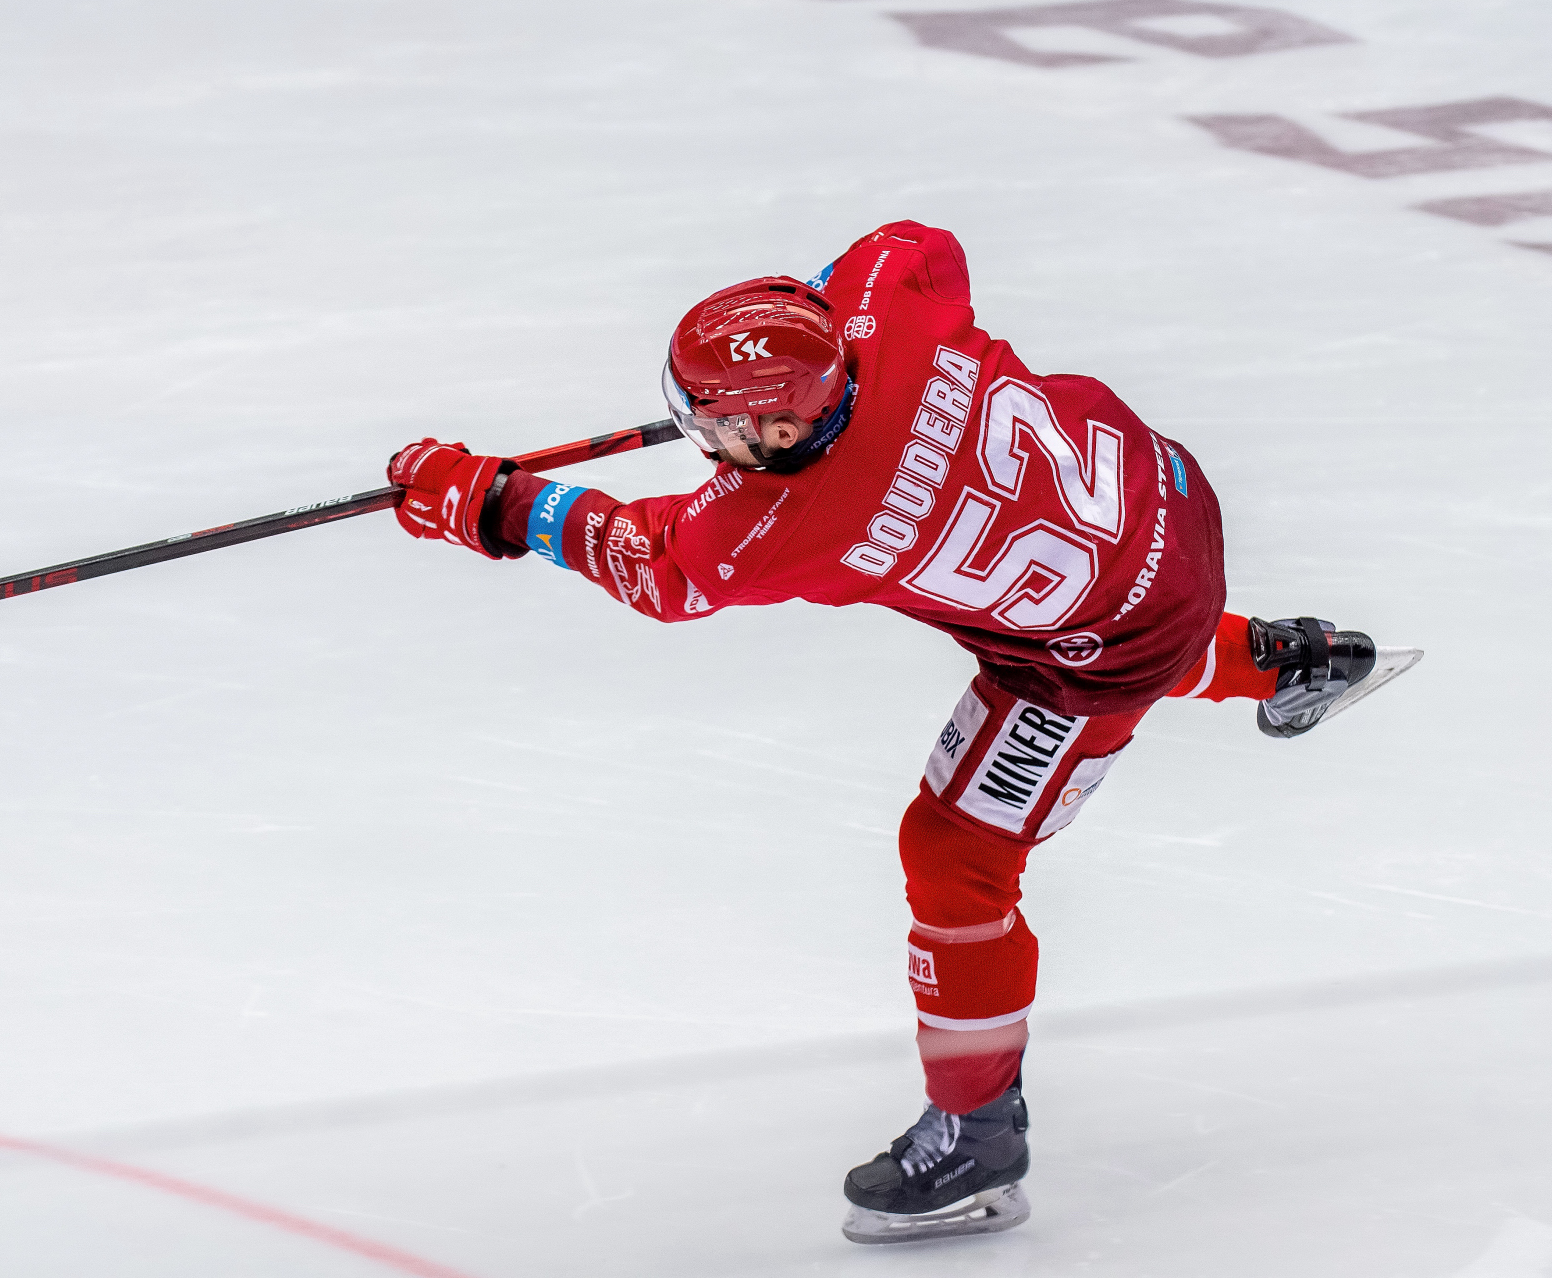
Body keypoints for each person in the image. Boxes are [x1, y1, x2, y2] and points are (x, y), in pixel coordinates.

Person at [386, 220, 1415, 1244]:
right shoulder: (884, 297)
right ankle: (1289, 659)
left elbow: (661, 567)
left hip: (1110, 637)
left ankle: (978, 1138)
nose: (704, 445)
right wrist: (811, 315)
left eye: (720, 428)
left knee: (955, 855)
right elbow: (925, 244)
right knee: (1071, 617)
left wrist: (497, 503)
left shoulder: (777, 524)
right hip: (1162, 496)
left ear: (779, 432)